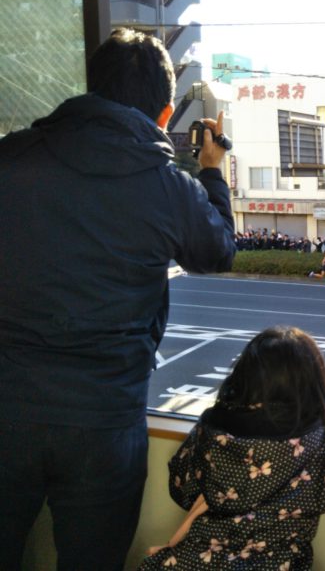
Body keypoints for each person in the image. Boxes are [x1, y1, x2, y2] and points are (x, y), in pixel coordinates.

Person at [0, 28, 236, 570]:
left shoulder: (12, 159)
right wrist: (210, 169)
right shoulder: (163, 185)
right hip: (103, 421)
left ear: (92, 89)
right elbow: (217, 251)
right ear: (164, 113)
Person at [138, 327, 325, 570]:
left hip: (193, 563)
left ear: (241, 378)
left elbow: (180, 488)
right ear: (315, 386)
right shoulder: (323, 450)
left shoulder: (210, 430)